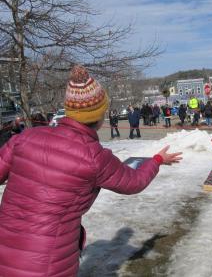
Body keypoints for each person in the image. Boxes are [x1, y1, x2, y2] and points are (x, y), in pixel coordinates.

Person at [0, 65, 182, 277]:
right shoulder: (95, 157)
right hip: (47, 263)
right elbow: (134, 182)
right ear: (99, 115)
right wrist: (157, 160)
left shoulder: (26, 137)